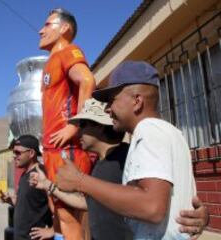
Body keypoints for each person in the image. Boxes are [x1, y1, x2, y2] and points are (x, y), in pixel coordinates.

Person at [56, 61, 208, 239]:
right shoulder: (171, 132)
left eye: (112, 100)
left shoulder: (148, 129)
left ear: (137, 101)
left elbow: (151, 207)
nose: (108, 109)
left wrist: (80, 181)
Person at [30, 98, 133, 240]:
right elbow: (87, 203)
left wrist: (78, 179)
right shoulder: (100, 163)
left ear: (100, 126)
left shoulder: (127, 159)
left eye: (83, 125)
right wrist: (48, 185)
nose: (78, 133)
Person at [38, 8, 95, 239]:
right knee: (60, 215)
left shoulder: (69, 52)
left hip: (67, 150)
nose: (41, 30)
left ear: (64, 28)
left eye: (47, 24)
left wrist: (74, 125)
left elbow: (87, 80)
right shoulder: (50, 63)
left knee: (71, 218)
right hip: (53, 150)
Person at [0, 135, 52, 240]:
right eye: (13, 152)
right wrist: (10, 200)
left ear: (31, 153)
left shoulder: (42, 174)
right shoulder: (24, 175)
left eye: (18, 152)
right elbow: (27, 206)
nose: (14, 156)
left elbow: (61, 208)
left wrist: (52, 230)